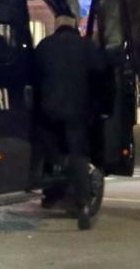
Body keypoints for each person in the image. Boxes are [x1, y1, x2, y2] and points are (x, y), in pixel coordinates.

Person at [34, 14, 108, 231]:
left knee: (49, 148)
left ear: (56, 27)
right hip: (78, 112)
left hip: (49, 111)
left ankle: (54, 187)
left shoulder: (44, 46)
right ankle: (83, 204)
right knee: (79, 155)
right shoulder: (87, 47)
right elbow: (101, 75)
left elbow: (33, 76)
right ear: (74, 26)